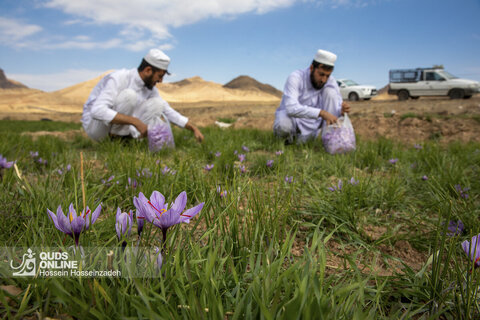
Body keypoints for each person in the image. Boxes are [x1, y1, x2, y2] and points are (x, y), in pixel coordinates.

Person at [82, 49, 204, 143]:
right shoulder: (119, 78)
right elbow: (97, 111)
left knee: (158, 104)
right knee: (129, 96)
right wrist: (135, 122)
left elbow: (168, 111)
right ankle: (117, 141)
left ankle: (124, 142)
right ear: (147, 70)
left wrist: (193, 128)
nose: (161, 81)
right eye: (160, 76)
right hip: (96, 128)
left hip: (117, 129)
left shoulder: (150, 88)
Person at [273, 49, 350, 144]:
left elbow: (333, 110)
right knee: (283, 126)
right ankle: (283, 140)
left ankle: (332, 141)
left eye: (327, 76)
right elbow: (291, 108)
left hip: (312, 125)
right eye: (321, 74)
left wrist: (340, 111)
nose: (323, 80)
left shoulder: (330, 81)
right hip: (292, 119)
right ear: (311, 68)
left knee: (331, 92)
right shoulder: (296, 77)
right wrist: (321, 113)